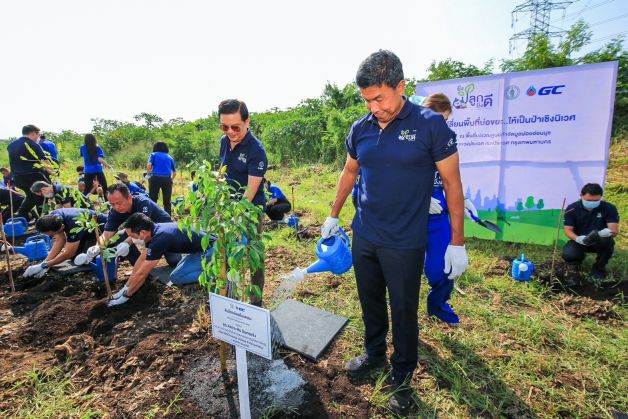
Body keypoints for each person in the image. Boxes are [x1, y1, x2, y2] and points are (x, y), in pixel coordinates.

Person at [320, 50, 467, 415]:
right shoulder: (361, 128)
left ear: (400, 87)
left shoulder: (431, 126)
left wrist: (457, 242)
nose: (374, 107)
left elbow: (453, 184)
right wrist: (333, 214)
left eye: (379, 98)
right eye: (366, 100)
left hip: (405, 241)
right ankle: (374, 354)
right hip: (365, 233)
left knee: (403, 311)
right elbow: (350, 172)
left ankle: (402, 376)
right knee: (369, 300)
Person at [420, 93, 479, 327]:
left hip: (438, 215)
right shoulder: (408, 138)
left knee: (441, 268)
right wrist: (419, 199)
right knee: (404, 268)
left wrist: (461, 199)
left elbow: (449, 178)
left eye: (445, 121)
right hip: (409, 214)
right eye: (440, 119)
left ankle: (438, 305)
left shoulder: (446, 139)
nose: (441, 125)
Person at [218, 99, 268, 306]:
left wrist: (236, 218)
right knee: (227, 252)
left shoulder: (256, 150)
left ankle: (256, 301)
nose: (230, 132)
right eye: (224, 127)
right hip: (229, 206)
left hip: (250, 210)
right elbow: (222, 172)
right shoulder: (224, 142)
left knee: (253, 255)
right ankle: (230, 297)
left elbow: (250, 191)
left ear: (247, 122)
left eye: (235, 127)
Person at [107, 213, 213, 307]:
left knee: (176, 277)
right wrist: (126, 286)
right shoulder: (153, 231)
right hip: (200, 249)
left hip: (212, 250)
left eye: (132, 236)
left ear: (142, 232)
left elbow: (143, 273)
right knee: (179, 269)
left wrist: (126, 295)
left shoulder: (160, 239)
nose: (131, 239)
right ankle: (209, 267)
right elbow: (142, 259)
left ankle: (215, 275)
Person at [89, 183, 175, 266]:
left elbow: (142, 228)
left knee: (174, 260)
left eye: (119, 203)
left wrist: (126, 243)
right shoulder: (114, 212)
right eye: (112, 204)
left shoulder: (143, 203)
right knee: (120, 236)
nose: (116, 207)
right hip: (144, 233)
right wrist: (97, 247)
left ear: (129, 197)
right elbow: (107, 234)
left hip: (163, 230)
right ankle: (139, 265)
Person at [21, 208, 107, 278]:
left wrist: (44, 265)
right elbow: (60, 240)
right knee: (75, 257)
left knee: (85, 258)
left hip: (103, 231)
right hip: (86, 231)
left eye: (51, 234)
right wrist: (45, 262)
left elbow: (69, 253)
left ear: (62, 227)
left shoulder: (74, 224)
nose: (51, 236)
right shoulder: (53, 218)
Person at [562, 183, 619, 280]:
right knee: (569, 254)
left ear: (601, 197)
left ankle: (599, 268)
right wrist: (578, 239)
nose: (592, 203)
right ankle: (576, 264)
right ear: (581, 196)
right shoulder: (572, 208)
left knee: (608, 243)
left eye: (596, 200)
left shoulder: (609, 208)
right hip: (580, 240)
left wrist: (603, 233)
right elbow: (568, 230)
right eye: (588, 200)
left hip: (600, 240)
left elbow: (614, 230)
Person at [7, 125, 52, 219]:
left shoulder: (11, 145)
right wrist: (53, 173)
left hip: (18, 178)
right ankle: (45, 220)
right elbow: (45, 161)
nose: (38, 137)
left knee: (30, 196)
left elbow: (12, 163)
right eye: (38, 134)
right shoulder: (32, 144)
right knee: (42, 197)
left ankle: (20, 215)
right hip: (33, 177)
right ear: (32, 133)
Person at [146, 142, 176, 214]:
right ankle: (168, 217)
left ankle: (153, 216)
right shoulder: (170, 157)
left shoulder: (154, 154)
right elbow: (174, 173)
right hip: (167, 179)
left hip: (155, 178)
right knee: (167, 201)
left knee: (153, 199)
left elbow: (149, 165)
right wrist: (171, 180)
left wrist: (148, 175)